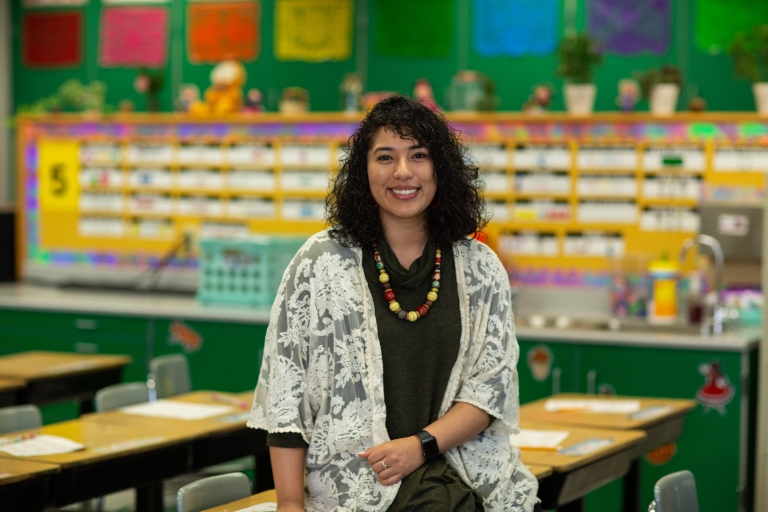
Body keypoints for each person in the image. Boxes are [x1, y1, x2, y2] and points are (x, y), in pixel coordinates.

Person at [248, 96, 538, 511]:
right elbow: (286, 395)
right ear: (363, 170)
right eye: (386, 156)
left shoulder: (480, 267)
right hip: (357, 482)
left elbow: (490, 389)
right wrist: (290, 502)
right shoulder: (319, 264)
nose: (403, 172)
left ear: (440, 168)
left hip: (460, 469)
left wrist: (420, 446)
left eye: (418, 156)